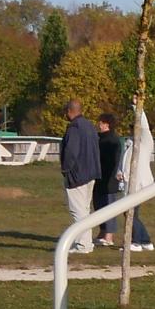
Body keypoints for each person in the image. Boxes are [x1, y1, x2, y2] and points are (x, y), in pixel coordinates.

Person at [58, 100, 104, 248]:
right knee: (84, 210)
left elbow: (71, 152)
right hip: (91, 173)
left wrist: (66, 169)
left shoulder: (74, 127)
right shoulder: (89, 126)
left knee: (77, 210)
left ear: (69, 111)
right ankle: (87, 242)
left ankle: (83, 244)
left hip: (77, 175)